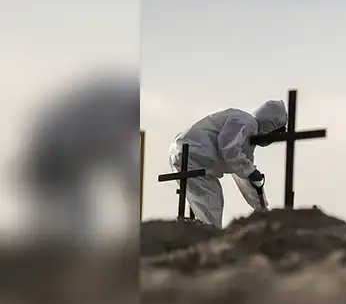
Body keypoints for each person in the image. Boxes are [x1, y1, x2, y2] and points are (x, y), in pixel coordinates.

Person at [19, 71, 141, 247]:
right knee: (71, 219)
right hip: (54, 156)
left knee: (74, 218)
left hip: (56, 154)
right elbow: (123, 163)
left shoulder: (113, 104)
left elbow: (122, 164)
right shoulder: (115, 115)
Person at [167, 99, 288, 228]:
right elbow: (228, 147)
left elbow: (243, 175)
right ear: (270, 127)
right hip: (193, 155)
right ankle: (210, 238)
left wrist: (261, 207)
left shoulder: (246, 139)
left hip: (188, 154)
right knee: (210, 203)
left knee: (209, 203)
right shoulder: (246, 121)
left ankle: (206, 233)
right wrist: (250, 171)